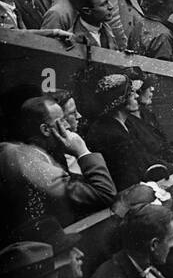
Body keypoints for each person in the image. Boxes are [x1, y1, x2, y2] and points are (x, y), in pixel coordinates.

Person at [0, 95, 116, 240]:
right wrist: (82, 151)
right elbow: (104, 193)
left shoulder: (27, 153)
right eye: (61, 121)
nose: (67, 126)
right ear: (45, 130)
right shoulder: (31, 163)